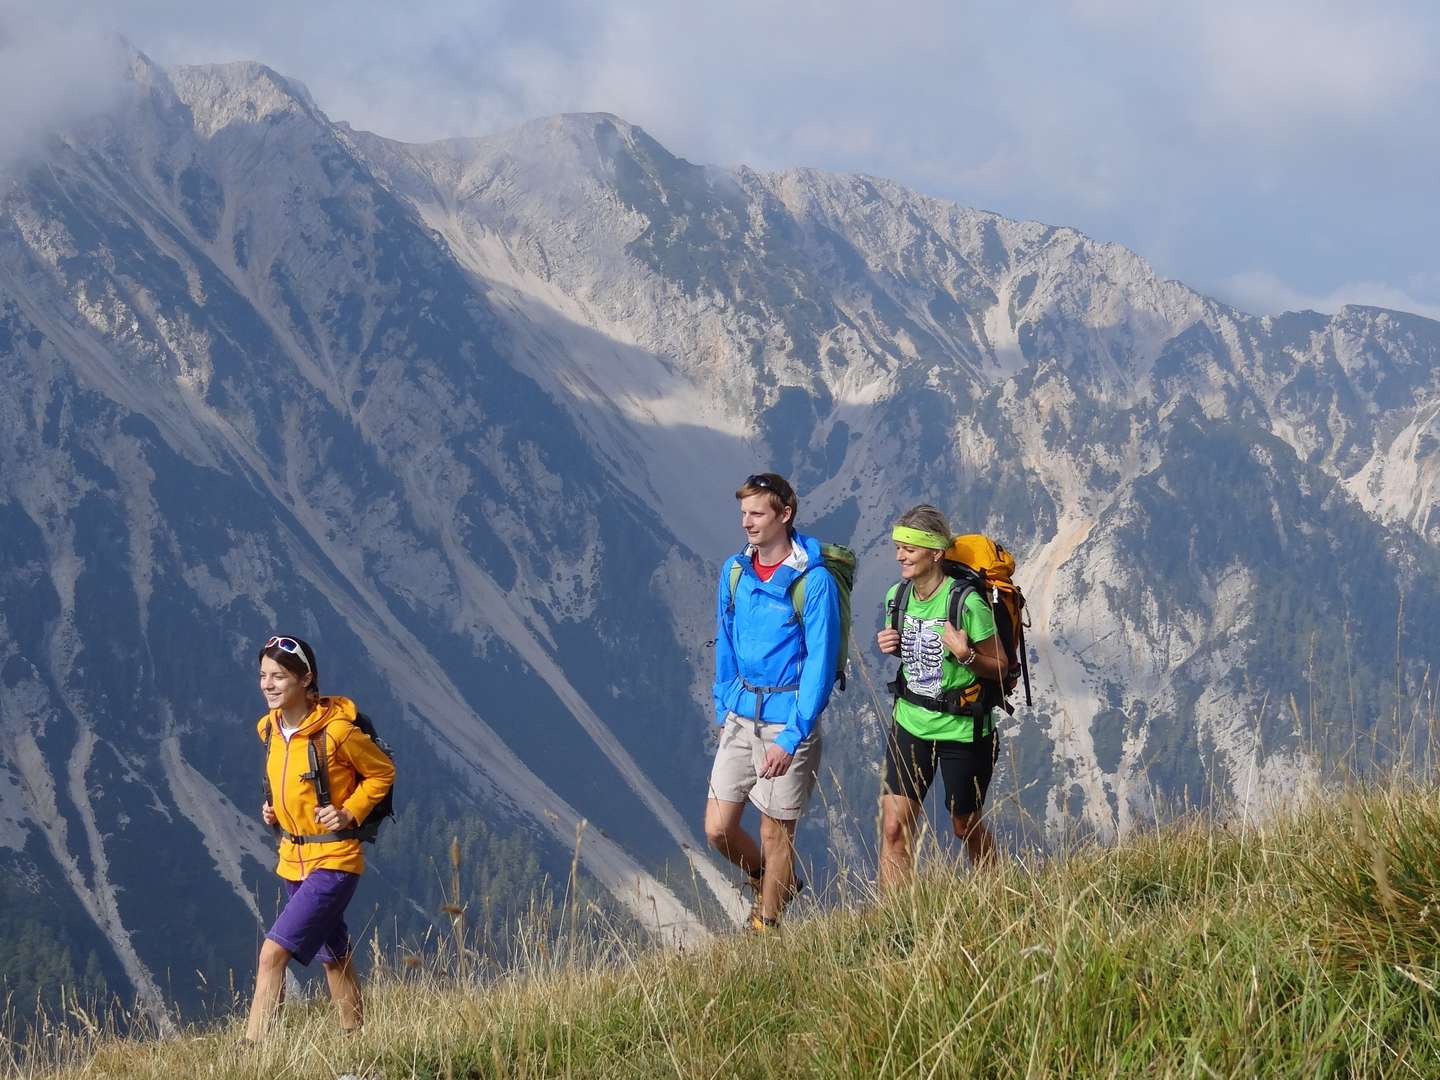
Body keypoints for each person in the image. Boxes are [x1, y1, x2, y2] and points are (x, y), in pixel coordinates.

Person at [706, 472, 841, 931]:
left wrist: (794, 735)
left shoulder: (813, 581)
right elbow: (725, 638)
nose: (747, 522)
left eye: (757, 513)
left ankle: (765, 927)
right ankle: (772, 882)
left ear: (785, 515)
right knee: (718, 829)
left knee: (774, 830)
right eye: (744, 512)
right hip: (741, 714)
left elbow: (820, 666)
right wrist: (724, 699)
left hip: (787, 721)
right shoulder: (735, 570)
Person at [246, 635, 395, 1041]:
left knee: (272, 954)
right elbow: (290, 783)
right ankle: (355, 1039)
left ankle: (252, 1055)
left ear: (306, 679)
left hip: (335, 860)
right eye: (263, 675)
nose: (268, 684)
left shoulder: (338, 732)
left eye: (279, 676)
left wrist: (350, 811)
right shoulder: (270, 729)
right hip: (292, 858)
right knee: (335, 955)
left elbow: (382, 772)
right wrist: (275, 809)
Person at [876, 506, 1006, 885]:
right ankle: (895, 928)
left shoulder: (967, 604)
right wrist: (893, 645)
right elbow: (918, 658)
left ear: (936, 553)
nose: (901, 556)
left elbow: (1000, 665)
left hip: (962, 730)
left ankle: (998, 894)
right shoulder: (896, 597)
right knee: (894, 829)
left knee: (964, 826)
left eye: (910, 549)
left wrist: (966, 655)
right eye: (898, 547)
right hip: (910, 723)